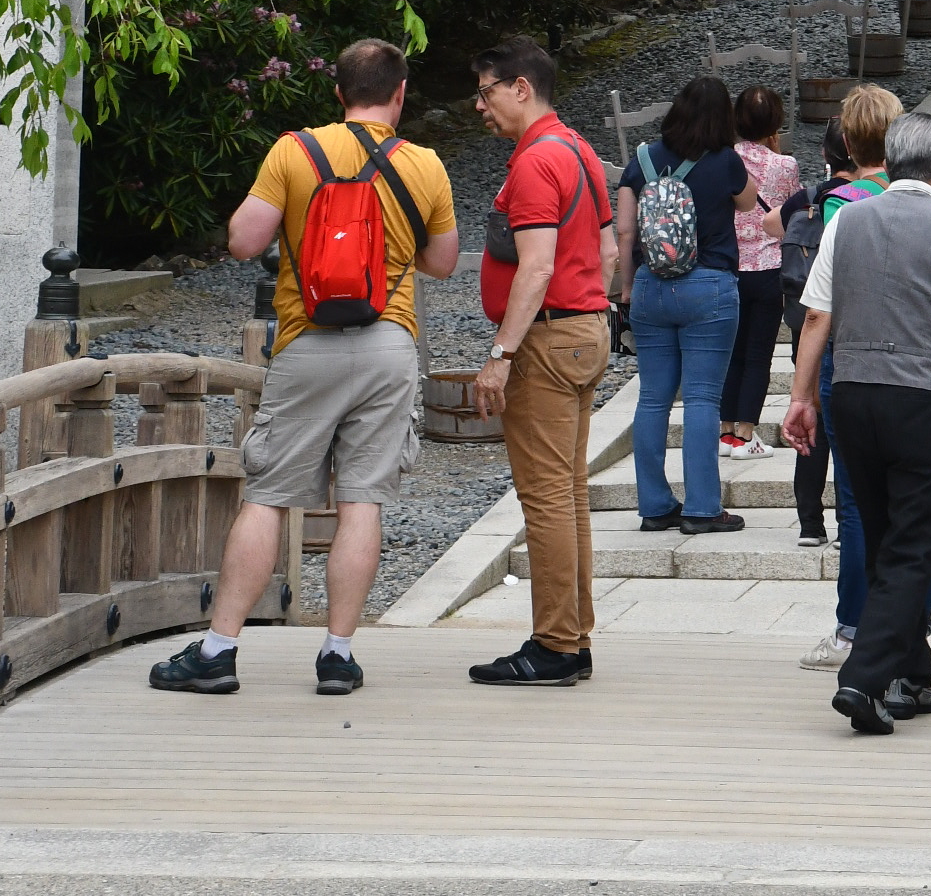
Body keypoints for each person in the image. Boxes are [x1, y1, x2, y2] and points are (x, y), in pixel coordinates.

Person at [150, 38, 459, 698]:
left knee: (268, 496)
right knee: (362, 500)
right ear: (399, 93)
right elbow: (442, 262)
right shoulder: (425, 165)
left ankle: (219, 650)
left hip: (307, 339)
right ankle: (338, 655)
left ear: (338, 92)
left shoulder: (295, 151)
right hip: (389, 343)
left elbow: (244, 241)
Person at [781, 113, 931, 732]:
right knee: (916, 539)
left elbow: (814, 320)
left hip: (853, 395)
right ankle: (863, 677)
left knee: (884, 532)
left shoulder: (847, 220)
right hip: (922, 398)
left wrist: (801, 396)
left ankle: (915, 675)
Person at [464, 35, 617, 689]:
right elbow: (608, 251)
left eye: (486, 91)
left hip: (548, 340)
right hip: (584, 329)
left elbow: (536, 267)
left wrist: (501, 353)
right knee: (569, 493)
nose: (479, 105)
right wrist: (594, 310)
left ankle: (555, 644)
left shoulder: (533, 164)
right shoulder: (580, 150)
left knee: (546, 495)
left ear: (520, 88)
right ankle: (571, 635)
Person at [617, 75, 764, 539]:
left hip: (649, 288)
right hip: (709, 288)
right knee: (702, 398)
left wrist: (625, 288)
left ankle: (655, 505)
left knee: (653, 398)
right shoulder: (725, 162)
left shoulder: (640, 161)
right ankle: (702, 508)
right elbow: (748, 204)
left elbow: (623, 232)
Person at [777, 117, 856, 549]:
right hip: (850, 326)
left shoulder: (808, 199)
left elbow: (774, 225)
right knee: (842, 428)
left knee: (809, 423)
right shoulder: (866, 199)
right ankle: (849, 523)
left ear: (825, 155)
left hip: (807, 321)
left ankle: (809, 523)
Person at [720, 84, 802, 458]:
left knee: (730, 352)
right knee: (758, 354)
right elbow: (792, 214)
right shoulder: (785, 166)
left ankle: (723, 431)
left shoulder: (724, 159)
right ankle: (746, 434)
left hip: (729, 267)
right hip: (769, 269)